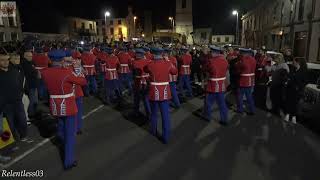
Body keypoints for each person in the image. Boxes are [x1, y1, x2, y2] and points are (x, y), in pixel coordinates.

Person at [41, 49, 87, 170]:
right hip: (68, 104)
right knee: (70, 133)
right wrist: (77, 69)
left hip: (55, 104)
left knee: (60, 124)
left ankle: (61, 140)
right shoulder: (66, 72)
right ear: (62, 60)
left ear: (50, 60)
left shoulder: (45, 72)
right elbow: (82, 81)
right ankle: (69, 161)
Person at [144, 47, 178, 144]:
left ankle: (153, 130)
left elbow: (146, 69)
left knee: (154, 113)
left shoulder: (150, 64)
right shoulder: (167, 63)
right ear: (162, 54)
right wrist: (168, 61)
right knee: (165, 115)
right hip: (165, 92)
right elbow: (174, 72)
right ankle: (166, 137)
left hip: (154, 92)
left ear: (153, 54)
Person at [3, 53, 33, 143]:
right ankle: (14, 138)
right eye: (2, 60)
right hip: (6, 103)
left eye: (7, 59)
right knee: (11, 122)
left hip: (18, 99)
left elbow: (21, 82)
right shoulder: (6, 72)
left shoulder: (16, 70)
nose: (5, 62)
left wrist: (23, 92)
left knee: (22, 118)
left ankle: (23, 136)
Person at [203, 46, 229, 125]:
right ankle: (224, 119)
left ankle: (207, 116)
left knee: (208, 102)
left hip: (212, 85)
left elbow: (205, 69)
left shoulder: (211, 61)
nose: (210, 53)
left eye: (211, 52)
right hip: (221, 85)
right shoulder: (225, 61)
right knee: (222, 103)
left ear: (214, 52)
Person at [284, 57, 308, 124]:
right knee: (289, 102)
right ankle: (288, 115)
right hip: (290, 89)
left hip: (297, 90)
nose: (293, 62)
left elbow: (305, 81)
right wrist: (288, 80)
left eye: (294, 61)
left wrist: (299, 86)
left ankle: (294, 116)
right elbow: (289, 77)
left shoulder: (303, 71)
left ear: (298, 62)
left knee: (295, 103)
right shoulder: (293, 69)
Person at [236, 49, 257, 115]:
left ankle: (240, 109)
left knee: (240, 95)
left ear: (243, 53)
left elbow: (238, 68)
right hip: (251, 80)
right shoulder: (253, 59)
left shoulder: (242, 60)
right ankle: (252, 110)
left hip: (244, 80)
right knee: (249, 96)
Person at [132, 48, 151, 116]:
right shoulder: (148, 61)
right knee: (145, 98)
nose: (137, 55)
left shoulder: (134, 62)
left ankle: (136, 112)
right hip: (146, 81)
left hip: (138, 82)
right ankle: (148, 112)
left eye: (138, 54)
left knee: (137, 98)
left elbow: (133, 70)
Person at [21, 47, 39, 118]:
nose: (31, 57)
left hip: (34, 84)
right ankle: (31, 114)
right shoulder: (24, 63)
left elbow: (35, 70)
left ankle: (34, 112)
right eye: (29, 56)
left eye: (32, 56)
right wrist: (36, 72)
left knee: (35, 100)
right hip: (30, 85)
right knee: (31, 100)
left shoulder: (31, 62)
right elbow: (30, 73)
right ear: (25, 56)